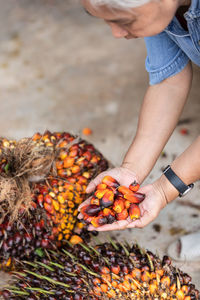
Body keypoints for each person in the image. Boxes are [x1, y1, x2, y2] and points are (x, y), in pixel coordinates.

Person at [78, 0, 200, 261]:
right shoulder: (161, 11)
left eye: (124, 21)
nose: (116, 33)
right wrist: (131, 170)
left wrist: (166, 189)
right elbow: (169, 80)